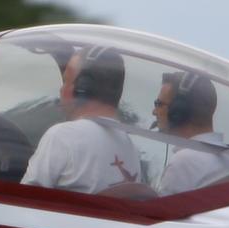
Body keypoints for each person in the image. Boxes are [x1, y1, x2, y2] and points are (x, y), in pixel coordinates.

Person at [21, 46, 143, 193]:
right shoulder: (131, 149)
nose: (61, 89)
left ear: (82, 89)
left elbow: (25, 199)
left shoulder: (62, 136)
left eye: (66, 81)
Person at [153, 70, 229, 195]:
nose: (154, 111)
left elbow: (161, 213)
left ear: (178, 111)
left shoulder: (184, 161)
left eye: (159, 104)